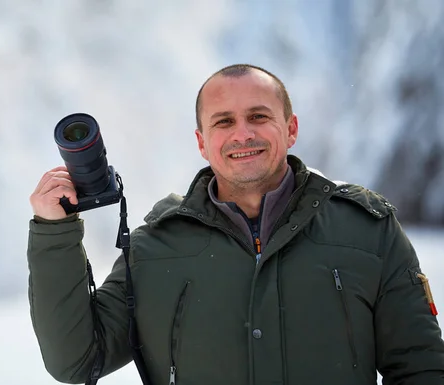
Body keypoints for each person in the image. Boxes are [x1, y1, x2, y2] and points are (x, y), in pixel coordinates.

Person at [26, 64, 444, 385]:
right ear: (202, 141)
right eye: (223, 121)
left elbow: (422, 367)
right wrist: (54, 233)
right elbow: (77, 359)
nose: (243, 134)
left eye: (259, 116)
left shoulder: (367, 229)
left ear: (291, 128)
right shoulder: (154, 247)